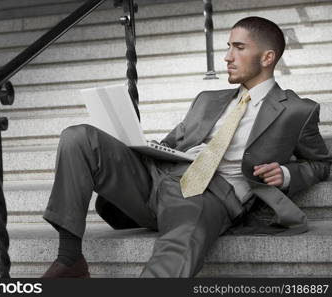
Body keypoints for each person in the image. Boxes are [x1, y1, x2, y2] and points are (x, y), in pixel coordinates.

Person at [41, 16, 332, 278]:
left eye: (238, 48)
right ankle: (70, 259)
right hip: (156, 181)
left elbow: (320, 163)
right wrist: (155, 147)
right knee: (79, 137)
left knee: (181, 237)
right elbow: (169, 144)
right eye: (228, 46)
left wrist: (286, 173)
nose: (227, 57)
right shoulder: (207, 99)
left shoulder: (297, 110)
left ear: (267, 57)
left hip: (207, 194)